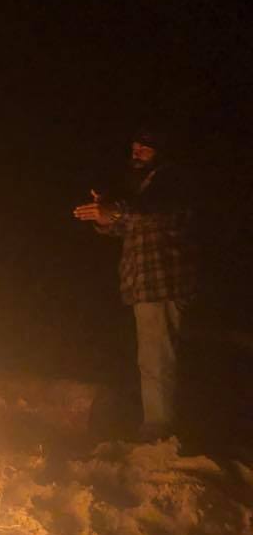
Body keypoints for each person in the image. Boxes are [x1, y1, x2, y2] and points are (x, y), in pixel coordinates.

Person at [73, 130, 198, 440]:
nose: (137, 152)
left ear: (161, 150)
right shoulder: (144, 188)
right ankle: (159, 423)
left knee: (158, 356)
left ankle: (159, 429)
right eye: (134, 147)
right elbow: (126, 225)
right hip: (143, 284)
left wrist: (115, 211)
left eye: (145, 147)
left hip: (163, 281)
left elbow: (158, 215)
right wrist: (105, 216)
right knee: (151, 355)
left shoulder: (172, 179)